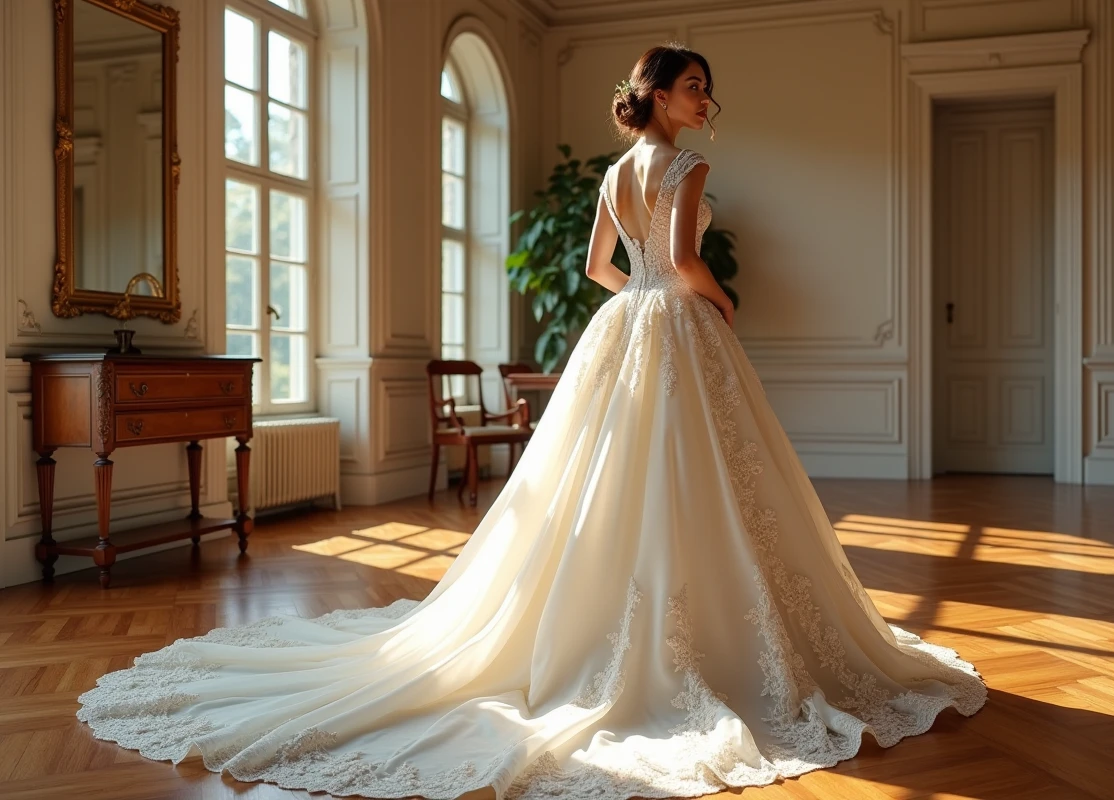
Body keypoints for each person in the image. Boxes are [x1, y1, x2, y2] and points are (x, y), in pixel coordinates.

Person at [77, 42, 986, 800]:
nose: (708, 99)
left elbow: (604, 268)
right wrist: (710, 300)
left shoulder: (615, 174)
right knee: (696, 472)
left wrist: (644, 304)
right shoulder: (687, 163)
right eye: (694, 86)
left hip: (625, 324)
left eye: (708, 87)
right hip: (675, 324)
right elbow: (680, 255)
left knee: (611, 477)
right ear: (659, 97)